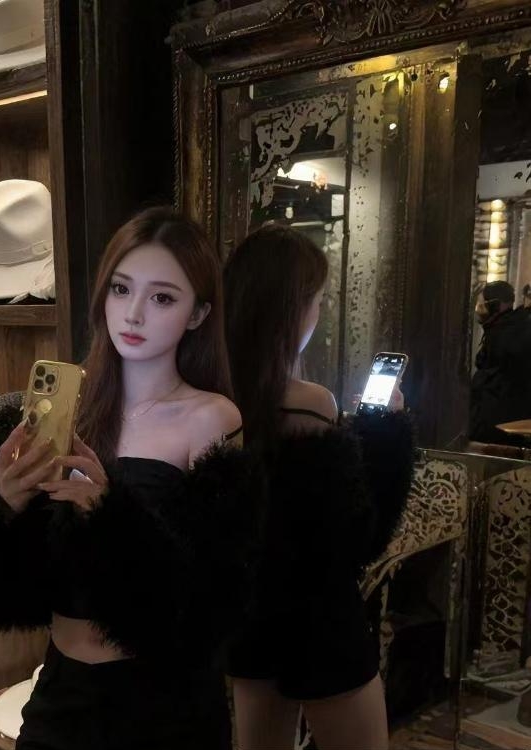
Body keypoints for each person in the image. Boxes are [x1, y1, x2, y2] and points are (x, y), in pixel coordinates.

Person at [0, 207, 259, 750]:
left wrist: (110, 518)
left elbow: (214, 600)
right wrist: (1, 510)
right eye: (120, 288)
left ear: (199, 313)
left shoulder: (212, 419)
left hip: (163, 705)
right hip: (62, 694)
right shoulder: (71, 413)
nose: (133, 313)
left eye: (162, 298)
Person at [223, 224, 415, 750]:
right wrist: (385, 433)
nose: (320, 311)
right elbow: (356, 537)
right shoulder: (311, 403)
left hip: (251, 618)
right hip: (322, 624)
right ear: (292, 309)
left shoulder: (219, 398)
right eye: (318, 300)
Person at [470, 280, 531, 445]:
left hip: (500, 432)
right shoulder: (505, 328)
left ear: (496, 305)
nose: (479, 310)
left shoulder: (512, 334)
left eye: (482, 305)